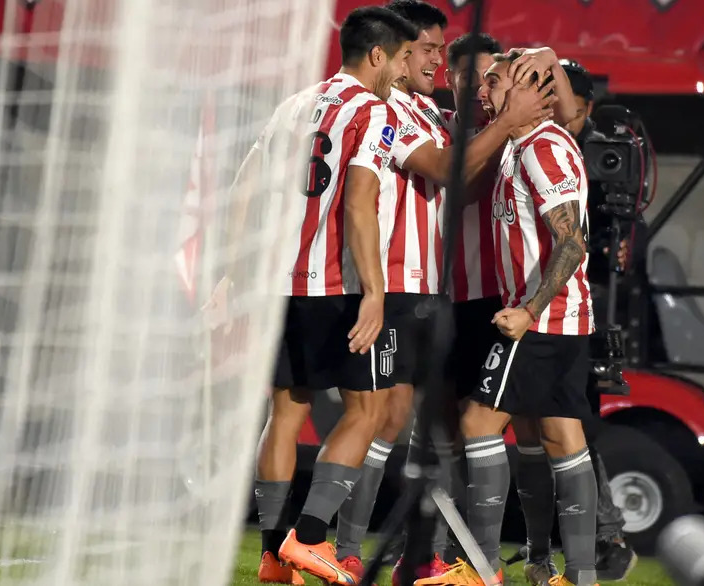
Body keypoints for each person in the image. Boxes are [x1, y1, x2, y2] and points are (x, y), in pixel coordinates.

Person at [329, 5, 558, 583]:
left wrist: (513, 113)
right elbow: (443, 172)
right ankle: (345, 547)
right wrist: (505, 124)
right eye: (431, 49)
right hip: (407, 289)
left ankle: (440, 556)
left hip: (456, 296)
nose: (436, 59)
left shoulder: (438, 114)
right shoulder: (393, 112)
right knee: (387, 418)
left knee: (437, 426)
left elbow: (466, 186)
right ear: (401, 53)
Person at [249, 7, 417, 586]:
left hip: (281, 284)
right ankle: (312, 539)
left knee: (285, 415)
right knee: (366, 411)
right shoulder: (376, 112)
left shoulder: (295, 105)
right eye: (400, 59)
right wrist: (375, 291)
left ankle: (273, 556)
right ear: (378, 56)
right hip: (338, 287)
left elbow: (246, 188)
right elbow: (358, 202)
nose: (401, 72)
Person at [457, 51, 598, 586]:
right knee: (563, 438)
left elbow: (572, 241)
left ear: (524, 89)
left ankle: (482, 568)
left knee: (477, 422)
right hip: (563, 318)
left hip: (543, 318)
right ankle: (579, 577)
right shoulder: (527, 142)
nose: (484, 88)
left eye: (494, 80)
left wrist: (528, 310)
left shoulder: (542, 148)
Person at [561, 58, 638, 582]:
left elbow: (616, 246)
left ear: (585, 106)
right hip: (538, 304)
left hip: (582, 311)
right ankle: (598, 538)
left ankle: (605, 538)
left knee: (574, 427)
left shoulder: (606, 156)